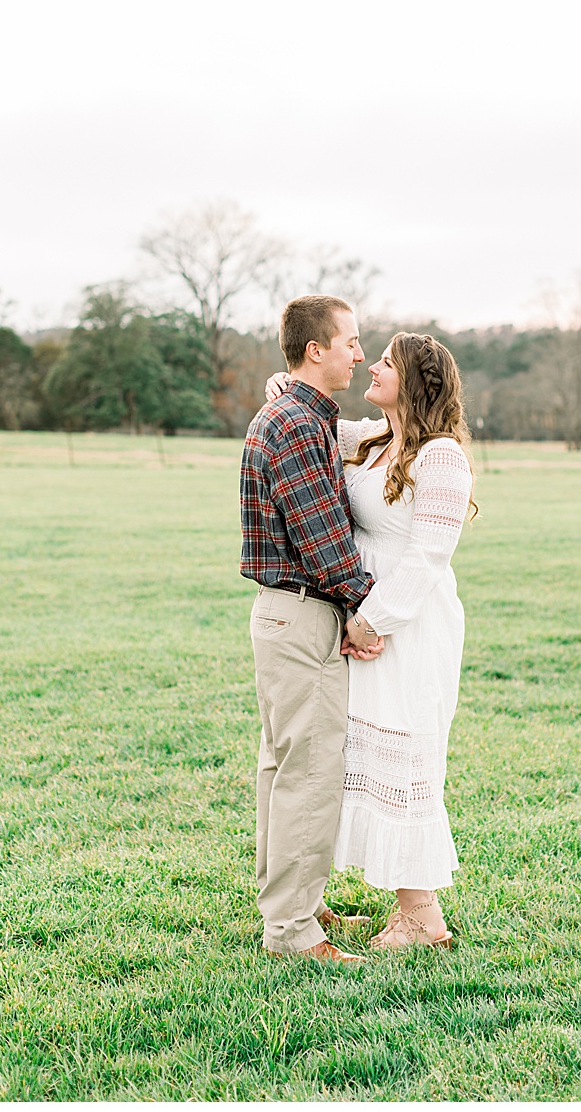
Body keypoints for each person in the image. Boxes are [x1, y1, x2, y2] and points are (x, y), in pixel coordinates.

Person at [268, 331, 476, 950]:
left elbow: (428, 558)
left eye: (385, 362)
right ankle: (327, 896)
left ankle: (421, 916)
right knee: (358, 753)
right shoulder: (371, 441)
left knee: (409, 756)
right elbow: (309, 422)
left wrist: (371, 619)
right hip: (362, 616)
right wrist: (284, 385)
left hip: (410, 625)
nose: (371, 366)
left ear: (414, 379)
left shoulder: (441, 458)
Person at [240, 294, 383, 964]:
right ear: (315, 349)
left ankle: (297, 904)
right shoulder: (297, 423)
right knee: (310, 772)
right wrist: (364, 606)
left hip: (282, 614)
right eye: (351, 341)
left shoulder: (299, 414)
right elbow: (321, 534)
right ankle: (294, 932)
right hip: (302, 615)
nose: (360, 352)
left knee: (282, 767)